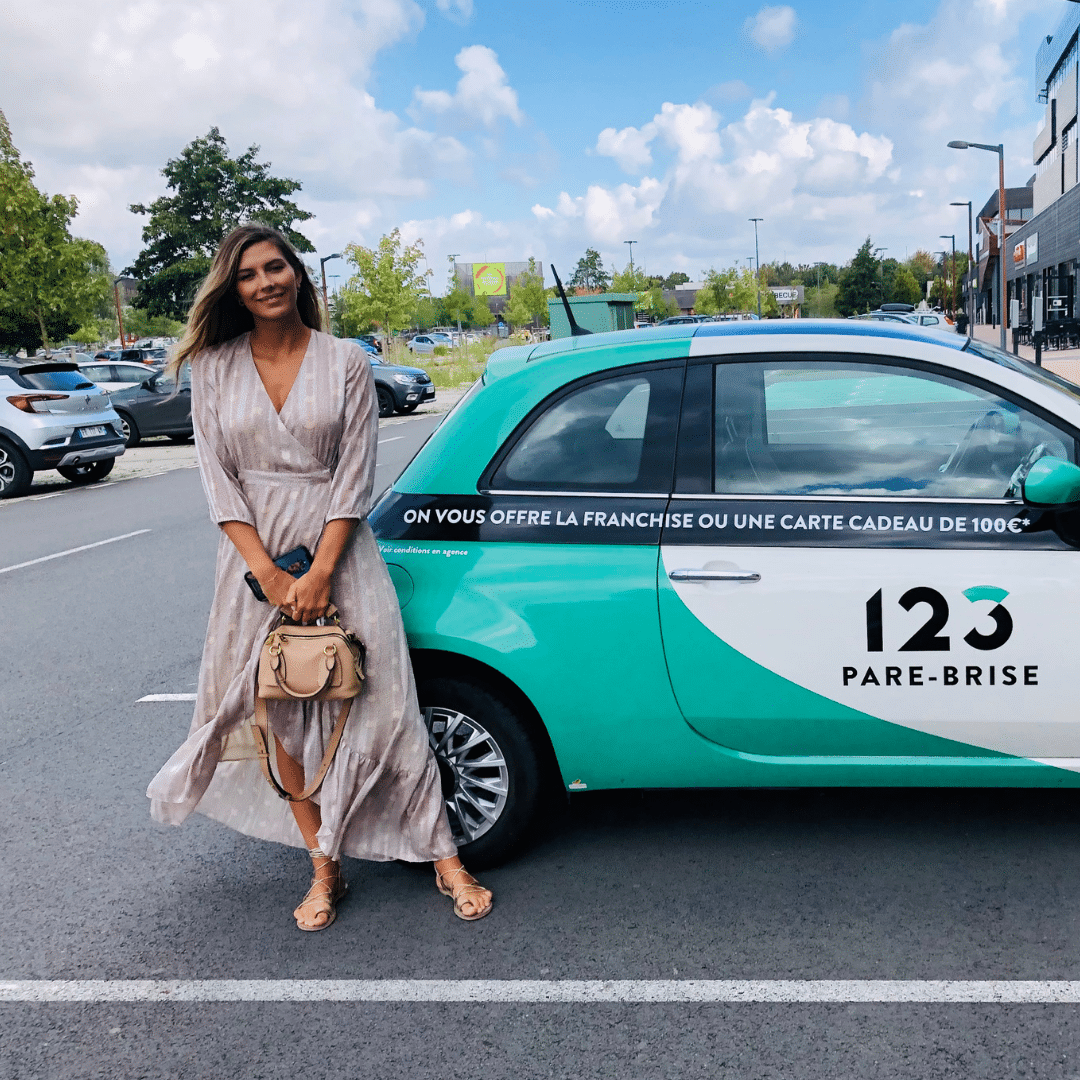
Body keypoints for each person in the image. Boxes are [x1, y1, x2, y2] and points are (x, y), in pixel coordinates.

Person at [146, 224, 492, 930]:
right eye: (248, 274)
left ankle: (444, 856)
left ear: (298, 275)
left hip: (343, 553)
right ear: (233, 289)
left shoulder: (345, 361)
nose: (266, 282)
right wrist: (272, 575)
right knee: (282, 716)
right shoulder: (213, 368)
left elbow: (354, 475)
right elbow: (220, 486)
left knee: (384, 707)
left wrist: (321, 572)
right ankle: (323, 864)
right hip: (254, 566)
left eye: (277, 267)